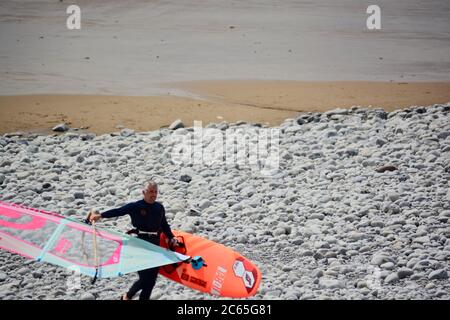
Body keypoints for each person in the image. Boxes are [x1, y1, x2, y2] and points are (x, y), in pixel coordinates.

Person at [89, 180, 178, 300]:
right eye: (151, 191)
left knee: (149, 281)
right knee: (147, 281)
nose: (153, 194)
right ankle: (128, 296)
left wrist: (171, 237)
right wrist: (100, 216)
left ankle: (127, 296)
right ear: (143, 192)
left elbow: (164, 225)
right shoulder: (135, 206)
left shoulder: (159, 207)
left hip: (155, 246)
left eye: (155, 192)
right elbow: (118, 211)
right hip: (139, 243)